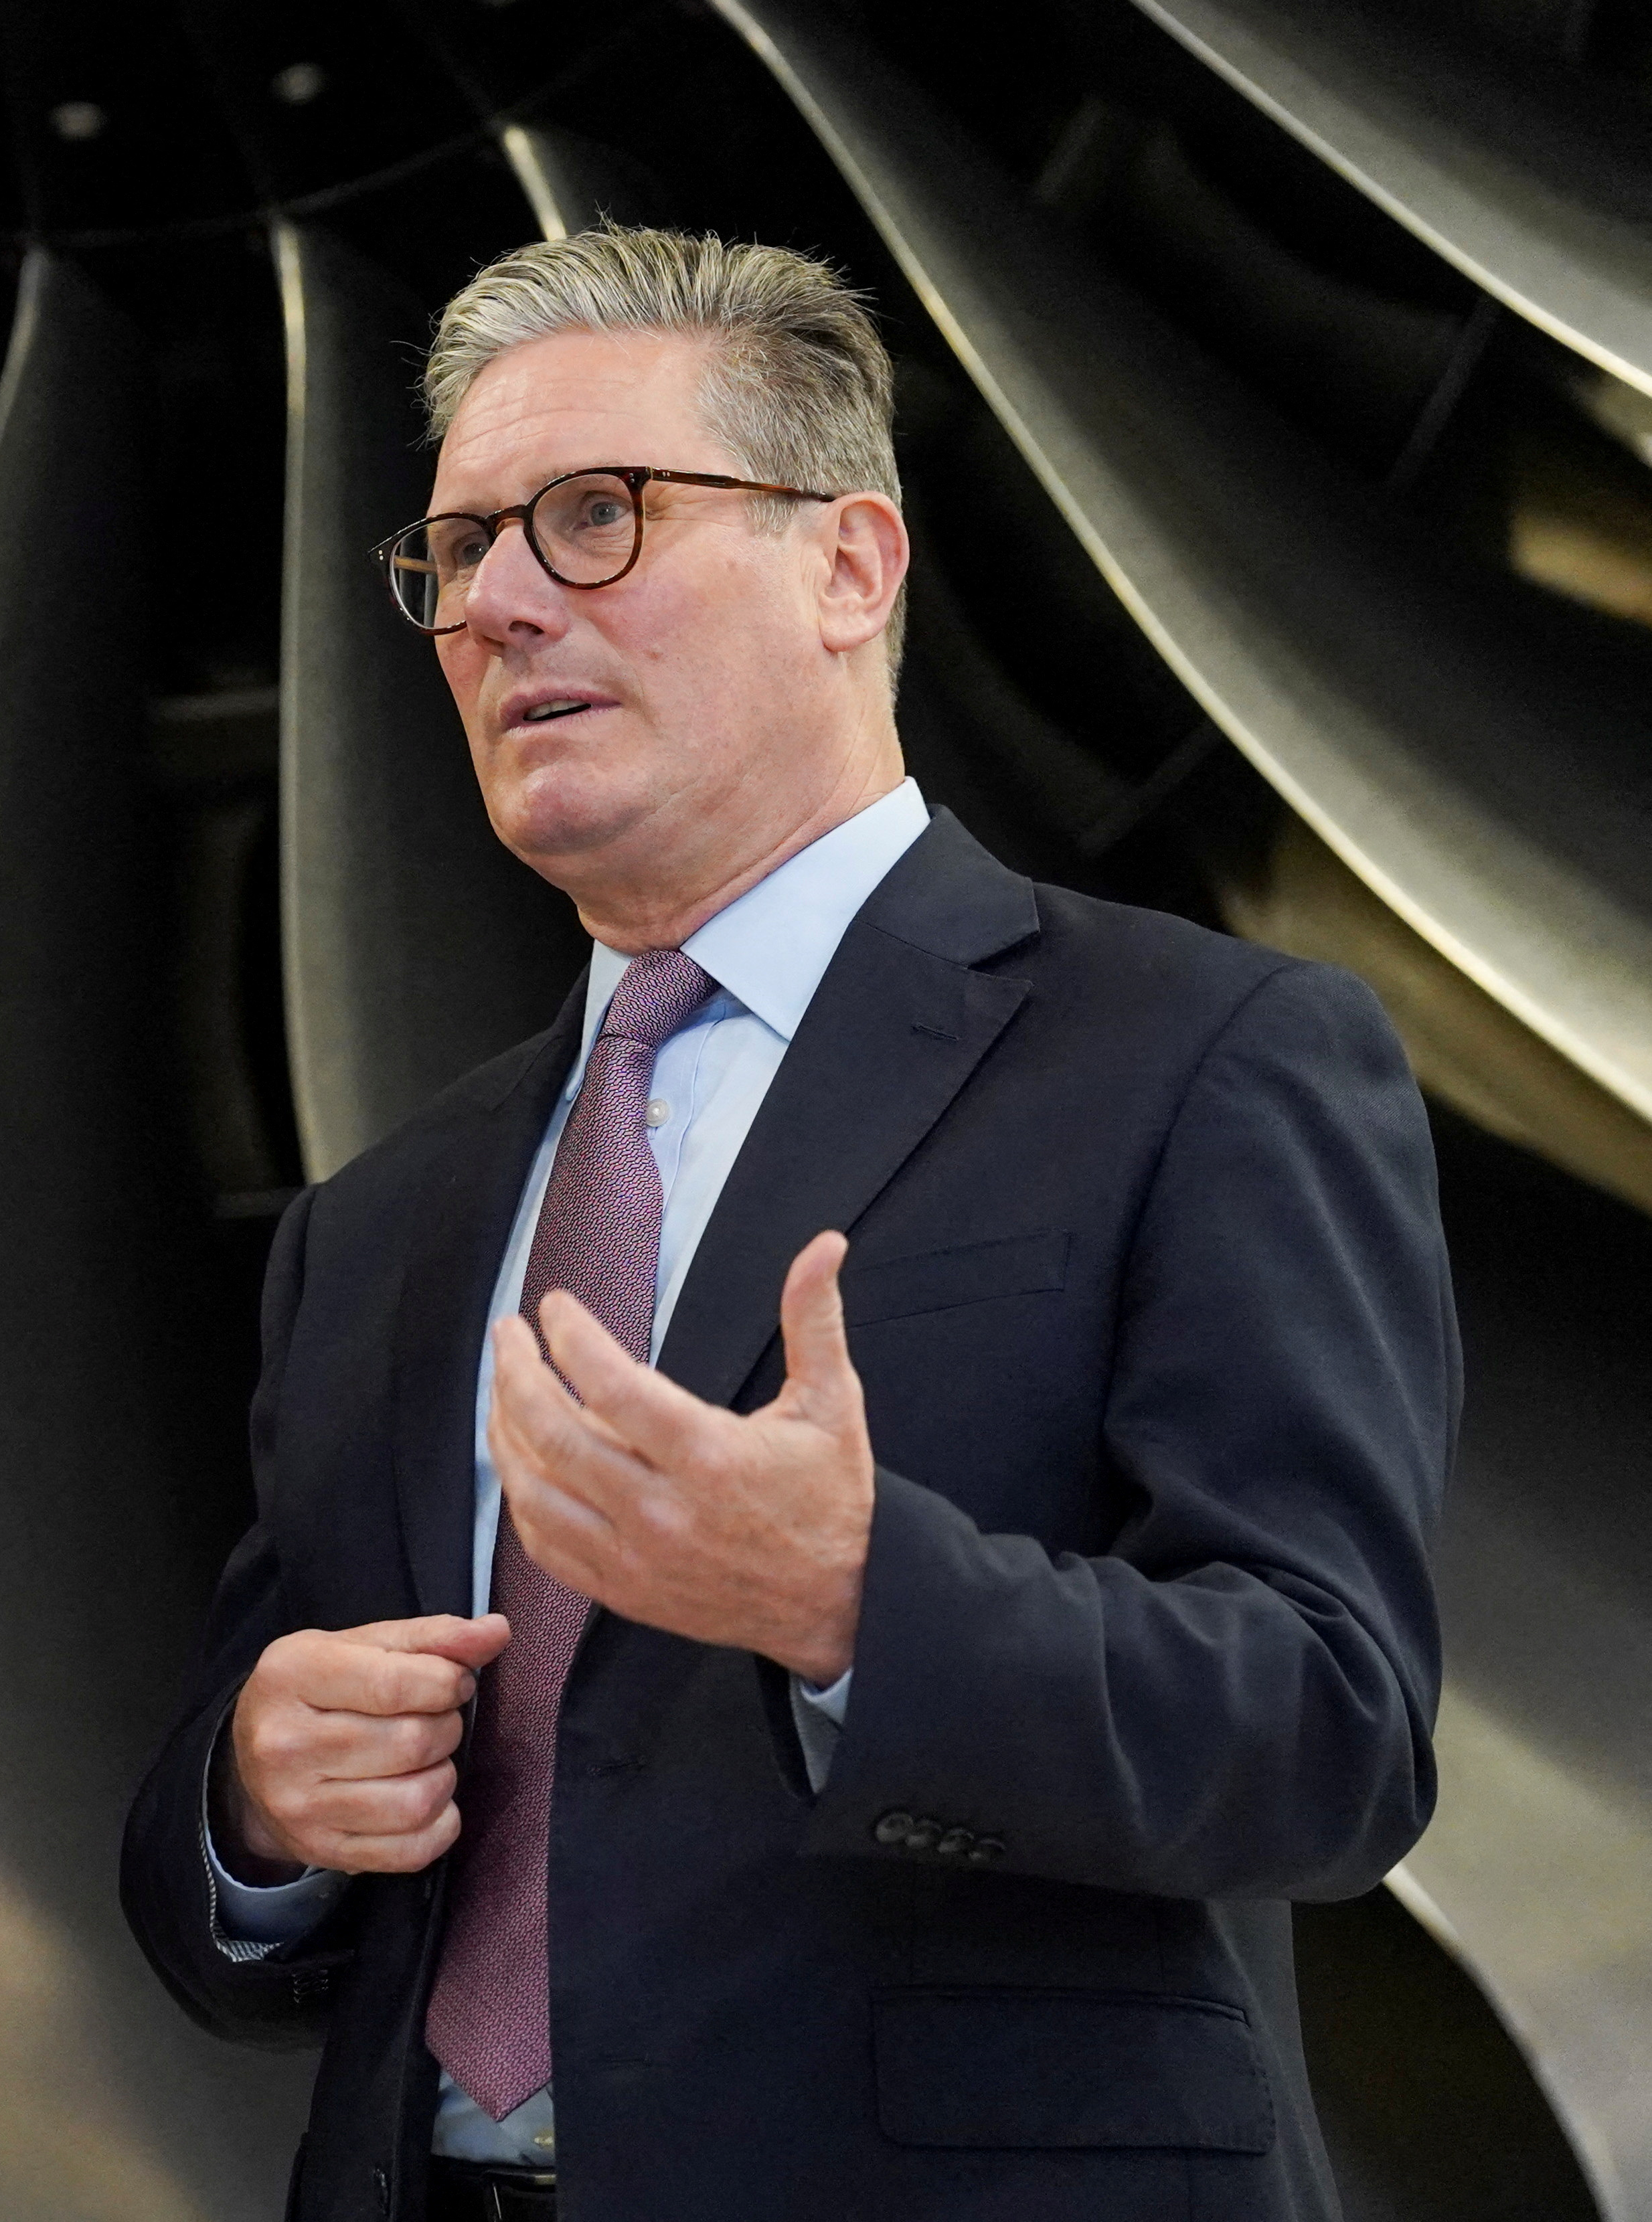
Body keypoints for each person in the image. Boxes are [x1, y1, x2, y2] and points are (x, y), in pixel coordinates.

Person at [120, 229, 1450, 2221]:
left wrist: (853, 1600)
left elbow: (1331, 1735)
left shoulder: (1203, 1055)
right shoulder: (377, 1223)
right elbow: (221, 1867)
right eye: (457, 548)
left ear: (847, 567)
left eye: (591, 518)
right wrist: (253, 1803)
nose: (491, 604)